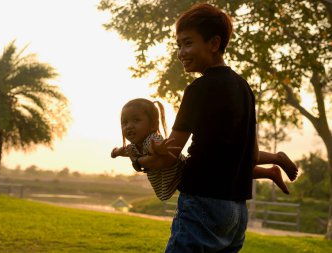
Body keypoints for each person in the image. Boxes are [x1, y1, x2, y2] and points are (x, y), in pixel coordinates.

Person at [124, 3, 297, 252]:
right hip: (236, 211)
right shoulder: (244, 88)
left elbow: (170, 154)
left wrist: (138, 162)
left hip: (201, 202)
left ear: (214, 44)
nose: (181, 52)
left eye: (188, 43)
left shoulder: (197, 89)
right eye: (178, 45)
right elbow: (248, 155)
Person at [111, 98, 297, 202]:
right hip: (183, 176)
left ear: (152, 124)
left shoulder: (152, 139)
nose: (129, 126)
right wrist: (116, 152)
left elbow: (159, 153)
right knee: (230, 170)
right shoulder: (135, 147)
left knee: (229, 167)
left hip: (187, 170)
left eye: (136, 120)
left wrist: (158, 150)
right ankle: (271, 171)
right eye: (124, 122)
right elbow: (125, 151)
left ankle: (276, 160)